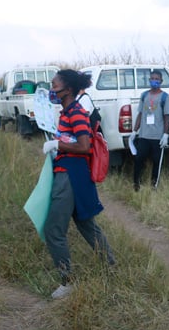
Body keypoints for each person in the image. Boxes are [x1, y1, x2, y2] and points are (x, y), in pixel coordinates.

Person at [41, 69, 116, 299]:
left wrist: (57, 146)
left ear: (69, 89)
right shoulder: (66, 112)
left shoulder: (76, 113)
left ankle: (67, 281)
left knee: (53, 229)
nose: (52, 90)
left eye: (55, 86)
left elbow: (84, 146)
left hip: (71, 176)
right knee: (86, 224)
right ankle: (111, 269)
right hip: (71, 173)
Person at [129, 70, 169, 191]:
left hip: (157, 136)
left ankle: (154, 186)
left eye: (157, 79)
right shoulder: (144, 95)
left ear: (161, 81)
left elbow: (167, 116)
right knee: (138, 159)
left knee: (157, 162)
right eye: (152, 78)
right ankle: (136, 184)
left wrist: (166, 134)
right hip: (144, 135)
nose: (154, 81)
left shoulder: (165, 97)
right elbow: (140, 114)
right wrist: (134, 131)